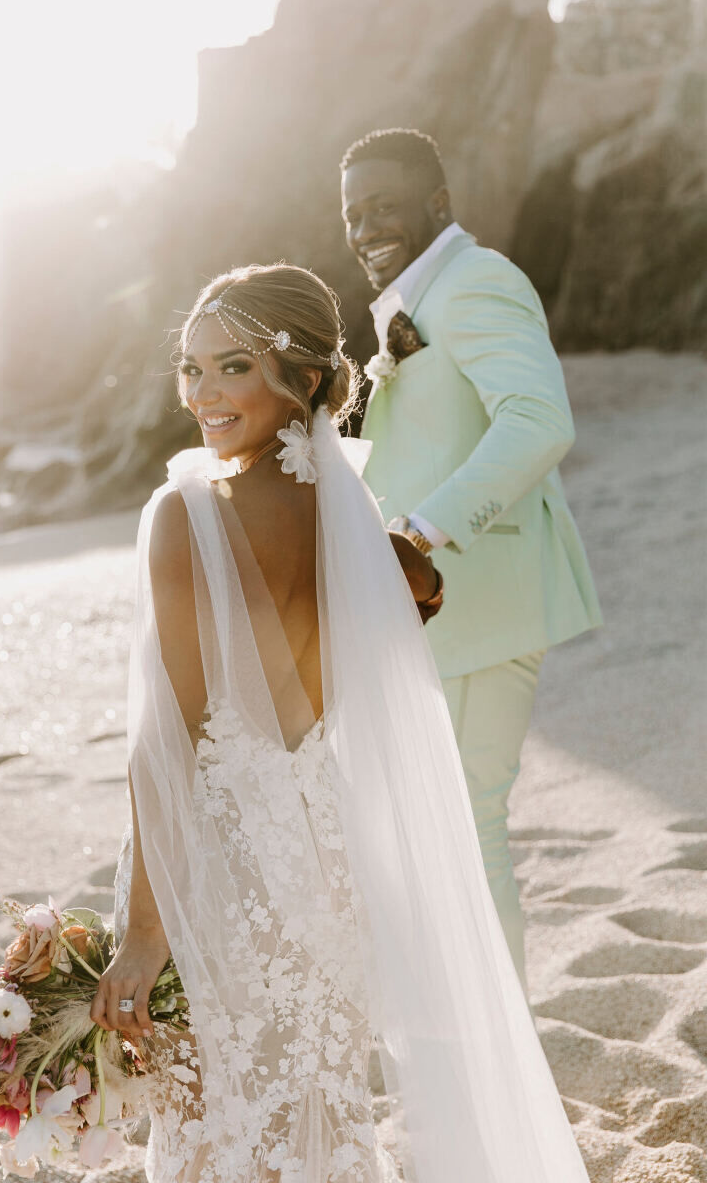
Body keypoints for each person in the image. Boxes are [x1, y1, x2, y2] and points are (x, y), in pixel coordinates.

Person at [90, 263, 590, 1182]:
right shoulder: (361, 525)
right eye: (190, 368)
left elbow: (168, 745)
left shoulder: (184, 516)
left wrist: (144, 933)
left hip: (223, 863)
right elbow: (397, 629)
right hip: (325, 863)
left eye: (230, 366)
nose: (201, 393)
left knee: (212, 1128)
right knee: (319, 1118)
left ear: (304, 378)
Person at [340, 128, 602, 991]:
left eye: (385, 206)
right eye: (353, 213)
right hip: (439, 608)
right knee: (447, 827)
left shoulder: (477, 280)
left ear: (439, 205)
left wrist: (418, 532)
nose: (366, 226)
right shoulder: (418, 298)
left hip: (480, 597)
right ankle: (483, 1041)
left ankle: (505, 1059)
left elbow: (539, 423)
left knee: (468, 825)